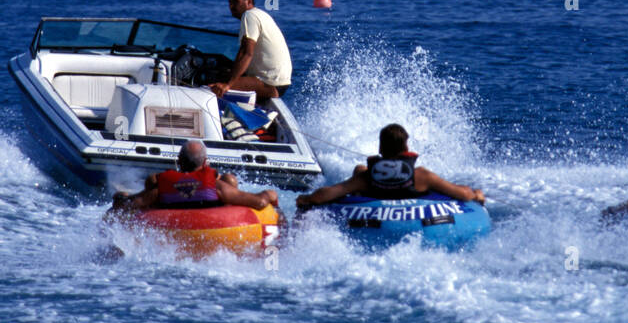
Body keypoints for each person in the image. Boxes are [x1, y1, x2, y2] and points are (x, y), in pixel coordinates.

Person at [296, 122, 485, 211]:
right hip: (418, 212)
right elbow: (463, 194)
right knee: (360, 170)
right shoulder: (422, 176)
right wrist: (475, 194)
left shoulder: (366, 178)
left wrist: (307, 198)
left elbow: (327, 194)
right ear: (406, 148)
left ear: (380, 148)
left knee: (359, 169)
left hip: (371, 204)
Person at [110, 139, 280, 214]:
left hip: (171, 227)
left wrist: (121, 198)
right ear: (205, 163)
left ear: (179, 162)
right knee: (230, 180)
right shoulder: (214, 185)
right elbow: (259, 203)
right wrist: (269, 194)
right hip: (216, 226)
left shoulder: (162, 187)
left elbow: (131, 204)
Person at [209, 0, 292, 103]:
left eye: (235, 1)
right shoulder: (259, 14)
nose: (231, 6)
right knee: (224, 72)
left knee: (212, 87)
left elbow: (246, 53)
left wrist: (228, 85)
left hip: (270, 82)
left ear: (248, 1)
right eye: (229, 2)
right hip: (279, 81)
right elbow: (243, 52)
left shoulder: (249, 16)